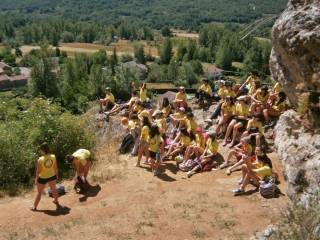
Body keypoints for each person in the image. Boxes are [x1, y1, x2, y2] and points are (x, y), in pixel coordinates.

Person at [32, 143, 59, 211]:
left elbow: (38, 171)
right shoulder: (53, 156)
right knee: (54, 189)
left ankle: (34, 207)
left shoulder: (40, 159)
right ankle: (56, 201)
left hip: (43, 178)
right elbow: (56, 168)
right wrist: (57, 175)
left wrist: (36, 179)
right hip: (52, 176)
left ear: (43, 150)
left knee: (39, 192)